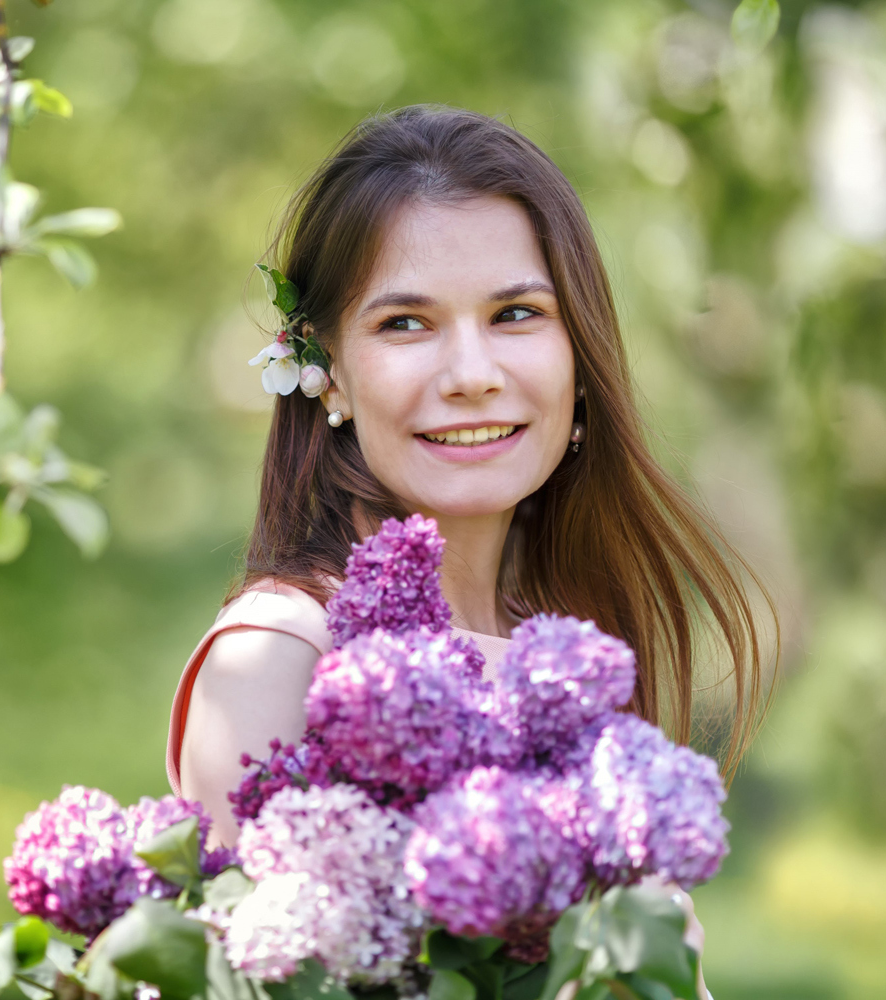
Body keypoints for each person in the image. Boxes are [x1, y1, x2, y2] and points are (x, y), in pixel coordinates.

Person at [166, 106, 773, 998]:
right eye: (406, 324)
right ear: (327, 368)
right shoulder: (276, 659)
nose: (471, 373)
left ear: (580, 356)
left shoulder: (565, 652)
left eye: (517, 313)